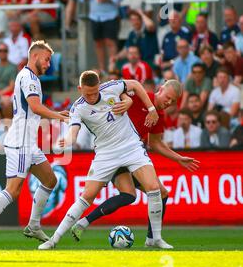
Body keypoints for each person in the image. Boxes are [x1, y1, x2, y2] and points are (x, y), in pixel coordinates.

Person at [38, 71, 174, 250]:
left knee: (154, 188)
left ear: (99, 86)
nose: (93, 96)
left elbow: (135, 84)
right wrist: (69, 141)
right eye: (88, 93)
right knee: (87, 196)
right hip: (106, 154)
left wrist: (151, 109)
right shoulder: (78, 108)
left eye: (95, 92)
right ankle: (53, 240)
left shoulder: (111, 88)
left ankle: (155, 238)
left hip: (131, 146)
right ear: (80, 89)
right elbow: (74, 131)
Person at [68, 77, 198, 249]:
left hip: (131, 156)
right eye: (168, 97)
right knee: (131, 193)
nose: (169, 102)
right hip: (112, 152)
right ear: (160, 90)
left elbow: (156, 143)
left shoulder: (159, 115)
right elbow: (116, 91)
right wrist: (127, 100)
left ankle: (151, 238)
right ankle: (83, 223)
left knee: (157, 193)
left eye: (173, 101)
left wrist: (178, 158)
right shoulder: (141, 96)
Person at [0, 41, 69, 250]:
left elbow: (35, 107)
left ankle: (33, 225)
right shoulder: (28, 78)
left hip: (29, 142)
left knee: (50, 180)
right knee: (13, 191)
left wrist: (56, 113)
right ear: (34, 57)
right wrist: (58, 117)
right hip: (21, 142)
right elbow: (35, 106)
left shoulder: (29, 78)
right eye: (46, 59)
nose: (49, 64)